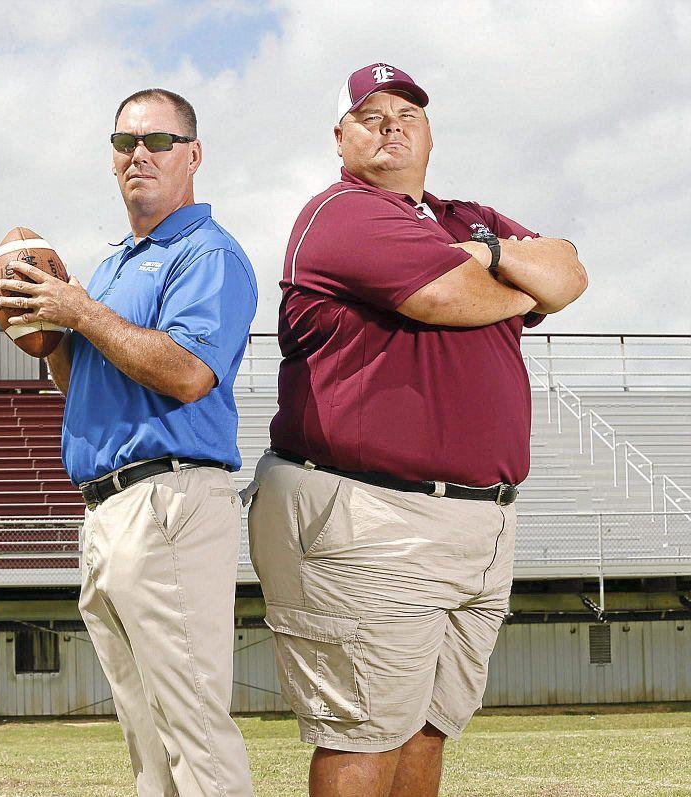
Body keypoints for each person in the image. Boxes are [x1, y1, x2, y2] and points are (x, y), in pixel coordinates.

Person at [247, 63, 587, 797]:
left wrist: (489, 253)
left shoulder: (468, 219)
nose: (391, 124)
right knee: (365, 726)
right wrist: (504, 278)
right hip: (368, 509)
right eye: (370, 115)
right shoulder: (341, 212)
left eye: (407, 112)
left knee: (429, 723)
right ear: (340, 136)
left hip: (476, 516)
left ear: (430, 130)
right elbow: (442, 296)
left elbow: (567, 272)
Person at [0, 88, 257, 797]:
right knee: (147, 740)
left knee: (192, 727)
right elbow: (78, 382)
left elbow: (189, 372)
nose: (138, 154)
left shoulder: (207, 252)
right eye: (124, 144)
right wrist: (45, 333)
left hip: (168, 496)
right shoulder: (110, 268)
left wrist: (76, 307)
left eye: (158, 141)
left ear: (193, 154)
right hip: (106, 508)